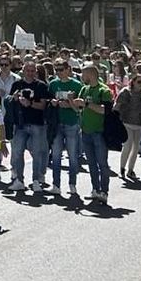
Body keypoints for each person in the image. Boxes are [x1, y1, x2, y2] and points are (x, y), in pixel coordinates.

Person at [8, 62, 50, 194]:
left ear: (36, 72)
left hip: (37, 124)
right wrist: (14, 99)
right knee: (17, 153)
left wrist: (29, 103)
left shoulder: (41, 86)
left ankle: (36, 180)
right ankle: (19, 180)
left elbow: (43, 106)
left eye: (33, 71)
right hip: (20, 124)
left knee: (36, 153)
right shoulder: (17, 85)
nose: (30, 73)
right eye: (28, 70)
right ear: (23, 71)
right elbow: (9, 101)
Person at [78, 64, 112, 205]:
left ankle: (104, 191)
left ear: (90, 74)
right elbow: (78, 106)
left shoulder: (104, 90)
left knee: (102, 164)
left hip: (99, 131)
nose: (81, 77)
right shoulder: (84, 89)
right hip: (86, 131)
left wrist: (86, 104)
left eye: (83, 74)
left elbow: (105, 110)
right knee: (91, 163)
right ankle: (95, 189)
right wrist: (71, 101)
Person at [49, 61, 84, 196]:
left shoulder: (76, 84)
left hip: (71, 123)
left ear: (68, 69)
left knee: (72, 155)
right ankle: (56, 184)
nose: (59, 72)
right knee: (56, 155)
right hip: (57, 123)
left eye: (61, 69)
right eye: (56, 69)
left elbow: (80, 105)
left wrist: (69, 104)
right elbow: (49, 100)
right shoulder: (53, 84)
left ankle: (72, 184)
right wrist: (53, 103)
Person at [114, 75, 141, 182]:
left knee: (136, 147)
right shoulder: (126, 92)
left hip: (139, 124)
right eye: (139, 82)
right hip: (126, 122)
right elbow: (116, 106)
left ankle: (130, 170)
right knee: (127, 145)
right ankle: (122, 168)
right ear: (133, 82)